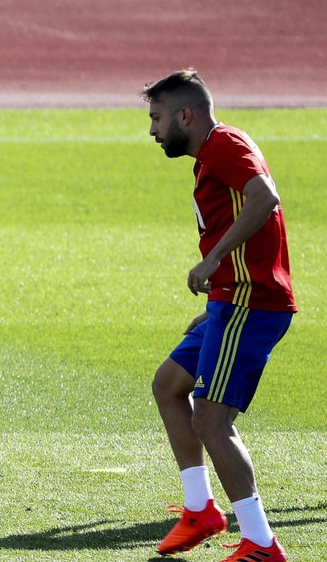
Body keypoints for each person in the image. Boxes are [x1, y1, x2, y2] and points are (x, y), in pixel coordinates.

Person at [143, 69, 295, 562]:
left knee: (211, 422)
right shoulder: (212, 152)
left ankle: (261, 542)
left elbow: (265, 197)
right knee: (168, 385)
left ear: (186, 114)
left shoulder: (226, 145)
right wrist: (214, 305)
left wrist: (212, 261)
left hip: (252, 303)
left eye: (158, 118)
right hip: (230, 301)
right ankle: (200, 510)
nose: (153, 130)